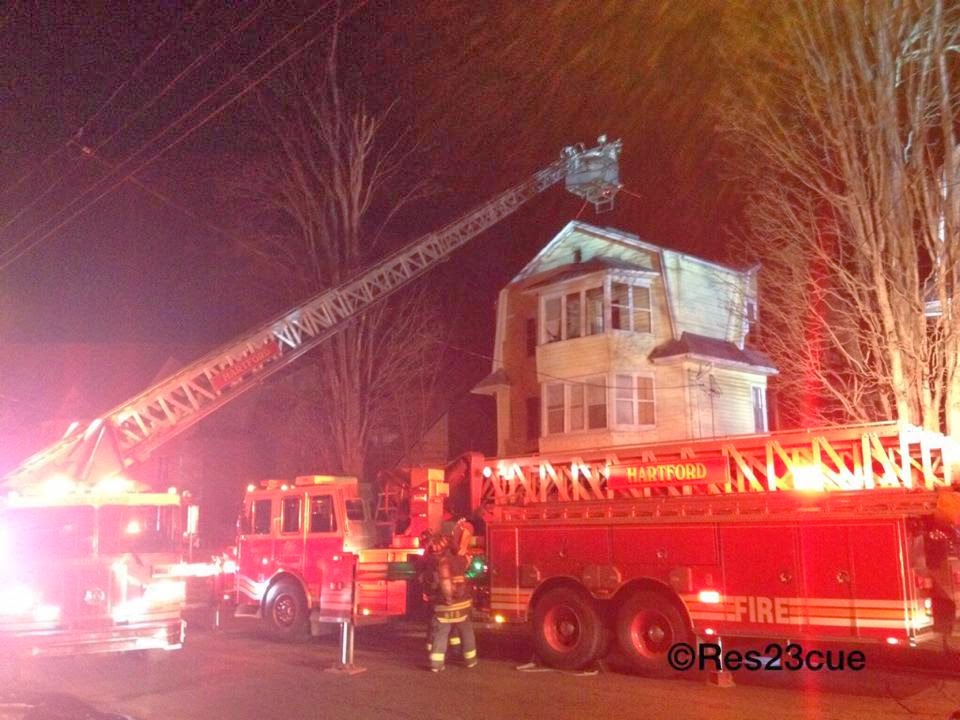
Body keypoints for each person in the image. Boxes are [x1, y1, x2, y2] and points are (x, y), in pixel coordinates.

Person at [421, 527, 477, 672]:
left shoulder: (433, 564)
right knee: (467, 631)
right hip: (463, 605)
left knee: (441, 633)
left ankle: (436, 664)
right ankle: (471, 661)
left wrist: (431, 597)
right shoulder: (459, 560)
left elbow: (429, 585)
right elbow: (468, 562)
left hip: (443, 606)